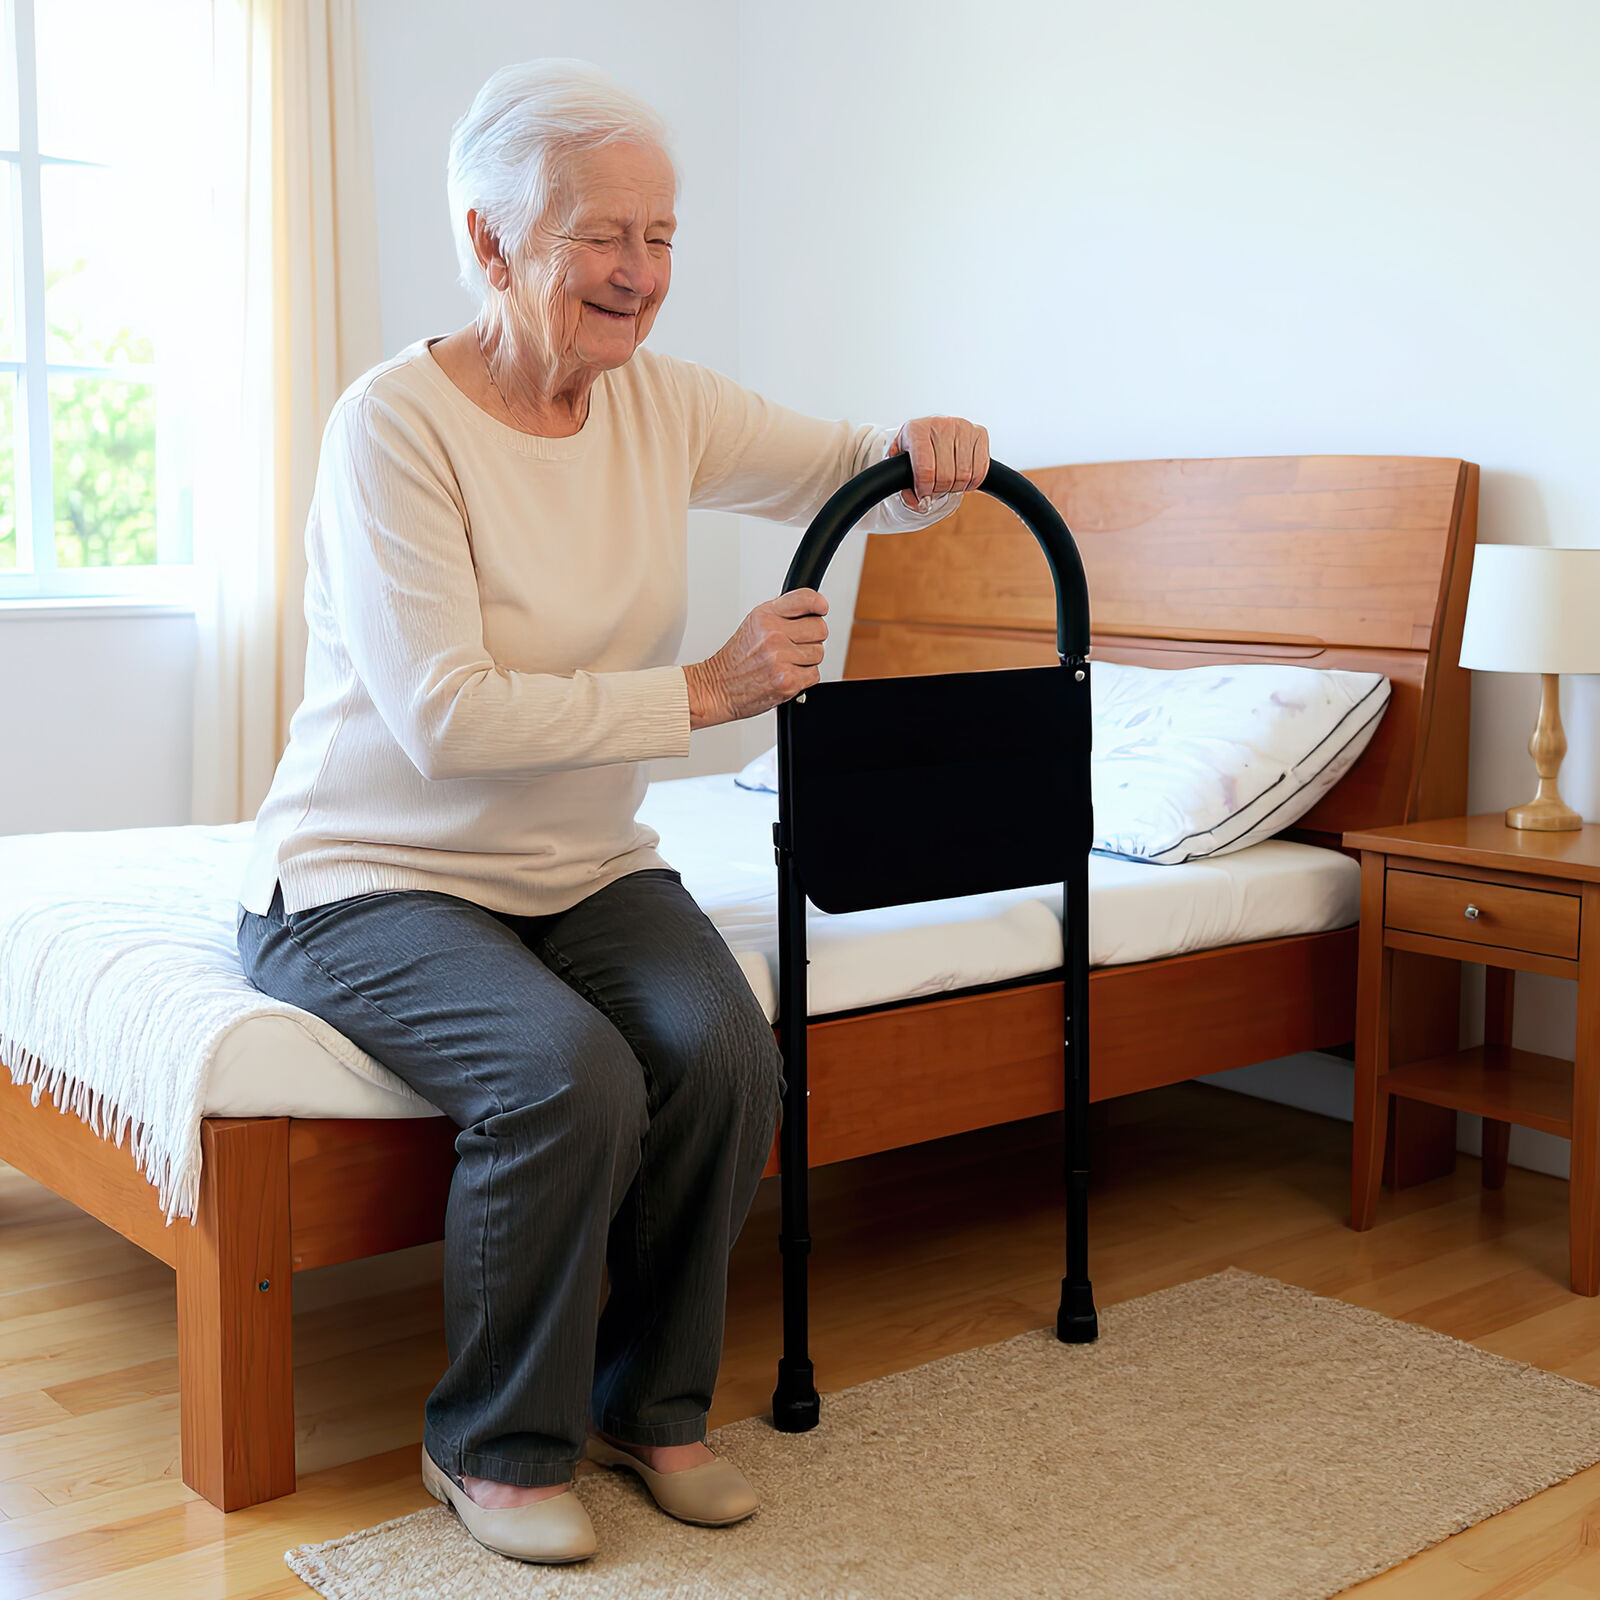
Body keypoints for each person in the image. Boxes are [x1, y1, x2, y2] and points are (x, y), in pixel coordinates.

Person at [236, 57, 989, 1565]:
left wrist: (927, 459)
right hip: (369, 874)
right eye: (600, 236)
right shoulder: (393, 427)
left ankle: (650, 1408)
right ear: (489, 239)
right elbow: (446, 717)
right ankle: (492, 1447)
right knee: (565, 1074)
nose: (639, 272)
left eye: (661, 236)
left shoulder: (664, 404)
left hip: (580, 864)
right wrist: (705, 692)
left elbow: (849, 471)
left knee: (725, 1048)